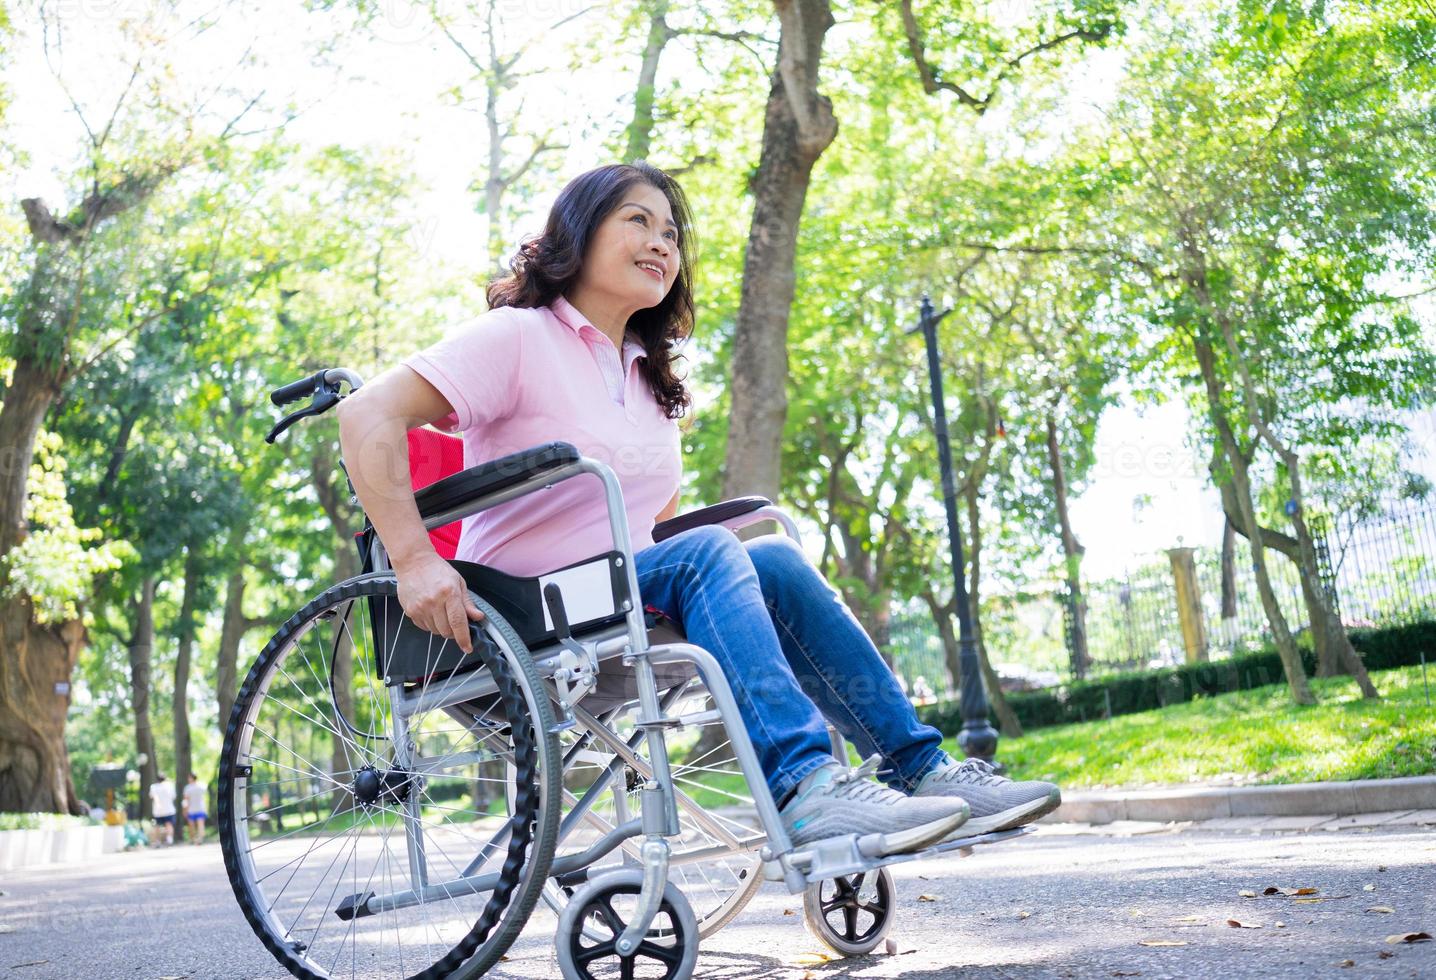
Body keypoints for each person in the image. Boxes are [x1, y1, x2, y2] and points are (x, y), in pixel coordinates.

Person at [337, 162, 1060, 856]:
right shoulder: (518, 337)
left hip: (614, 601)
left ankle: (918, 766)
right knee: (713, 550)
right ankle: (805, 786)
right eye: (638, 221)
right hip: (523, 610)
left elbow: (652, 533)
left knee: (769, 555)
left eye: (672, 234)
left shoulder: (648, 383)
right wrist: (413, 559)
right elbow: (368, 413)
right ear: (580, 233)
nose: (661, 242)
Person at [148, 773, 176, 846]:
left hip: (158, 810)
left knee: (157, 826)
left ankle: (157, 841)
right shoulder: (170, 786)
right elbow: (173, 797)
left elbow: (151, 796)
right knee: (169, 825)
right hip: (169, 809)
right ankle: (169, 839)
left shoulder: (153, 787)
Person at [182, 773, 208, 845]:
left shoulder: (188, 788)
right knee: (201, 824)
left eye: (189, 778)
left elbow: (185, 800)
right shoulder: (202, 786)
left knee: (191, 825)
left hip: (191, 809)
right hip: (201, 808)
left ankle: (193, 839)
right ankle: (200, 838)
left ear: (191, 778)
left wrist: (184, 810)